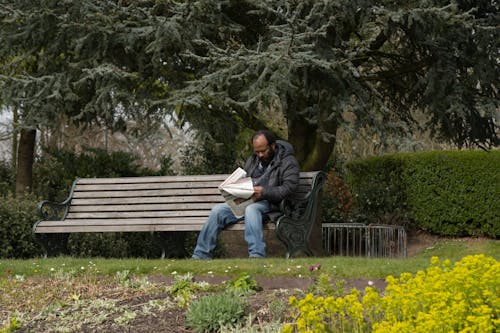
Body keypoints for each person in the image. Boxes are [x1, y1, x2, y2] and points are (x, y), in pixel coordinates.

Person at [192, 130, 300, 259]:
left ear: (273, 146)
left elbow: (289, 188)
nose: (259, 155)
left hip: (272, 204)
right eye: (257, 151)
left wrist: (264, 192)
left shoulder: (288, 161)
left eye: (263, 151)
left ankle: (256, 255)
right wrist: (235, 189)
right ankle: (200, 255)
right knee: (218, 210)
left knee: (251, 209)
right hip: (249, 200)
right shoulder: (252, 161)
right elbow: (246, 181)